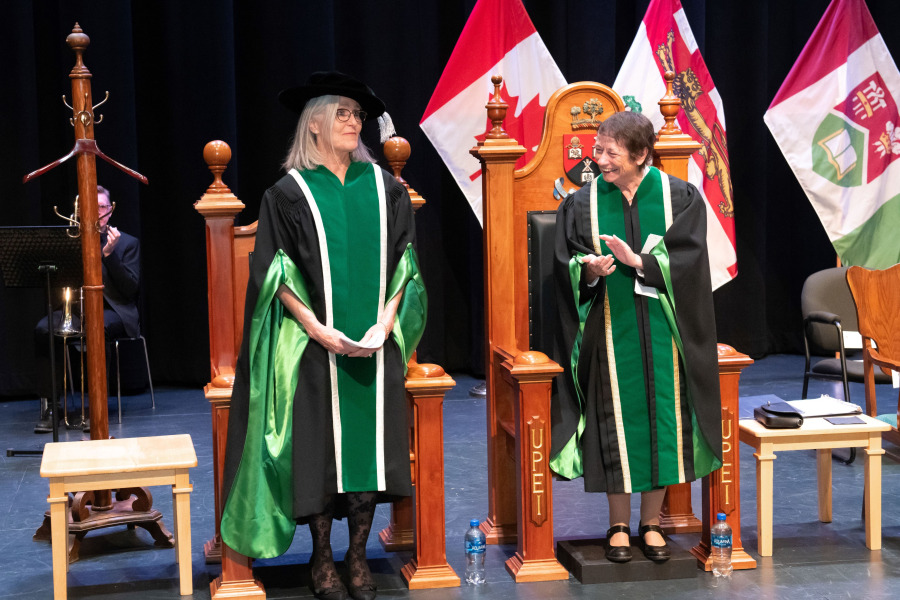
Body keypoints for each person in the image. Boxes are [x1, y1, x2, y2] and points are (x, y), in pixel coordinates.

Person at [220, 72, 426, 600]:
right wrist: (316, 328)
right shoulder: (287, 194)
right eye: (342, 113)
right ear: (313, 124)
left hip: (374, 348)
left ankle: (357, 555)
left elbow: (405, 263)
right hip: (313, 346)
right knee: (319, 453)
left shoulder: (387, 189)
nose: (354, 122)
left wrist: (385, 321)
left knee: (367, 453)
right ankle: (321, 558)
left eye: (358, 115)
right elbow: (274, 273)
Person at [550, 111, 722, 564]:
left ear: (642, 155)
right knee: (615, 422)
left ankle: (652, 522)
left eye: (611, 152)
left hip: (665, 333)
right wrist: (586, 270)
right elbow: (564, 262)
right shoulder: (581, 204)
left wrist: (642, 262)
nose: (599, 160)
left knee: (662, 424)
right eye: (598, 149)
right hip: (609, 332)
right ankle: (619, 524)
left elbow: (690, 261)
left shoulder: (678, 197)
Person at [33, 185, 140, 432]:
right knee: (42, 329)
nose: (96, 213)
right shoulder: (70, 241)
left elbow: (130, 289)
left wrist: (109, 255)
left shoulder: (127, 243)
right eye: (89, 208)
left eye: (101, 207)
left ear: (110, 211)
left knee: (97, 327)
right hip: (76, 309)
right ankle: (52, 407)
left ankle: (97, 406)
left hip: (115, 310)